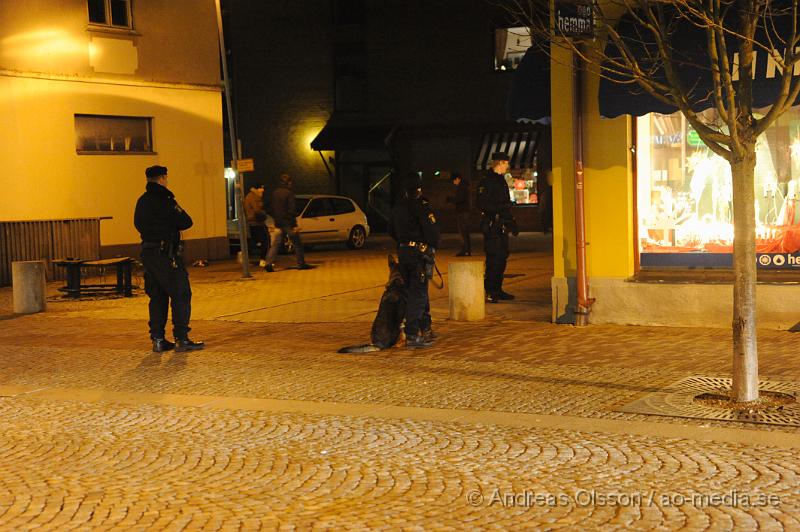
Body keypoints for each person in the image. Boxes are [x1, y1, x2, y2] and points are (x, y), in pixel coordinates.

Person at [133, 165, 204, 353]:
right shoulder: (165, 199)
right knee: (181, 293)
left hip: (148, 253)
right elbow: (186, 221)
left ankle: (158, 339)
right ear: (163, 178)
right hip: (167, 254)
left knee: (157, 296)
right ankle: (181, 338)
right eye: (166, 177)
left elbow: (138, 224)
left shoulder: (142, 201)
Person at [388, 173, 441, 348]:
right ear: (419, 190)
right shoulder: (421, 206)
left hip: (403, 252)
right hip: (418, 253)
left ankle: (425, 328)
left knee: (414, 290)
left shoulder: (398, 207)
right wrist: (428, 245)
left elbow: (390, 229)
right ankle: (411, 334)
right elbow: (432, 232)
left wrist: (404, 241)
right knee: (418, 293)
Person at [477, 152, 519, 303]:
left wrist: (511, 221)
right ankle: (490, 291)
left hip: (502, 224)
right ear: (500, 163)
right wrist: (499, 209)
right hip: (492, 224)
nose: (508, 166)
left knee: (502, 257)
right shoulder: (487, 181)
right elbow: (482, 203)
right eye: (506, 163)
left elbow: (505, 204)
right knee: (493, 258)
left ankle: (498, 289)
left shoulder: (501, 180)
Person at [264, 174, 312, 272]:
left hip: (278, 222)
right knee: (297, 243)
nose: (291, 184)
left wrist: (276, 218)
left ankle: (268, 263)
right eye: (290, 182)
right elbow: (292, 209)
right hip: (288, 223)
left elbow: (270, 208)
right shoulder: (289, 193)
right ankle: (301, 263)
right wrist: (294, 224)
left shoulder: (275, 193)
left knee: (276, 244)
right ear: (288, 182)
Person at [244, 182, 270, 267]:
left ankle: (244, 256)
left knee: (254, 241)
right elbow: (257, 210)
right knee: (266, 240)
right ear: (257, 188)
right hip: (257, 222)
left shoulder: (249, 196)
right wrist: (264, 215)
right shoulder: (255, 197)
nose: (263, 189)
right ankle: (263, 260)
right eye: (261, 187)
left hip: (252, 222)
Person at [448, 172, 471, 256]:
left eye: (454, 181)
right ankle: (466, 250)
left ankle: (466, 250)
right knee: (464, 231)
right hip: (463, 211)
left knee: (463, 231)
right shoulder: (464, 186)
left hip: (462, 211)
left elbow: (460, 199)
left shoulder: (462, 187)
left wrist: (451, 199)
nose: (453, 183)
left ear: (457, 179)